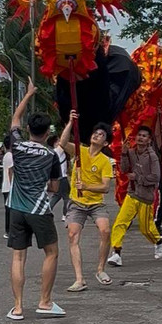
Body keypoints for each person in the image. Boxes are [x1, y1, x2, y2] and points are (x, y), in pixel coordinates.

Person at [6, 78, 64, 321]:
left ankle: (18, 307)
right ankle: (45, 302)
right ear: (48, 132)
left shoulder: (17, 146)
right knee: (51, 252)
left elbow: (14, 121)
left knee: (19, 256)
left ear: (29, 128)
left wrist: (29, 94)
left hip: (16, 209)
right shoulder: (51, 155)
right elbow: (54, 186)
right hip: (39, 209)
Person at [60, 111, 114, 290]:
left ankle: (100, 269)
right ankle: (79, 278)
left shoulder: (105, 161)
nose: (96, 135)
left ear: (105, 143)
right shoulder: (79, 150)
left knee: (105, 231)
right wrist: (70, 122)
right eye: (95, 133)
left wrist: (86, 187)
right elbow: (62, 142)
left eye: (101, 135)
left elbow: (105, 187)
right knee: (72, 235)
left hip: (96, 203)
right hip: (77, 202)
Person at [108, 125, 162, 267]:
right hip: (132, 193)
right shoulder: (131, 152)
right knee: (120, 223)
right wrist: (123, 154)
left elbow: (156, 178)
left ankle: (158, 241)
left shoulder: (152, 157)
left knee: (145, 228)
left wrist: (138, 177)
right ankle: (117, 252)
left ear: (149, 140)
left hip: (145, 197)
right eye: (139, 135)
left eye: (144, 136)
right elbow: (123, 169)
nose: (141, 138)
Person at [48, 134, 70, 222]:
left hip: (58, 178)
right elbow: (63, 143)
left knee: (56, 196)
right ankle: (65, 215)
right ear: (54, 143)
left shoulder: (53, 152)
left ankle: (47, 210)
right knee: (67, 197)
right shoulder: (58, 151)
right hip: (62, 178)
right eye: (58, 141)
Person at [1, 135, 13, 239]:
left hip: (7, 187)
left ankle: (9, 230)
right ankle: (8, 231)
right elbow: (10, 172)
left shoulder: (7, 155)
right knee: (10, 210)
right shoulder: (10, 155)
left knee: (10, 210)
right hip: (9, 187)